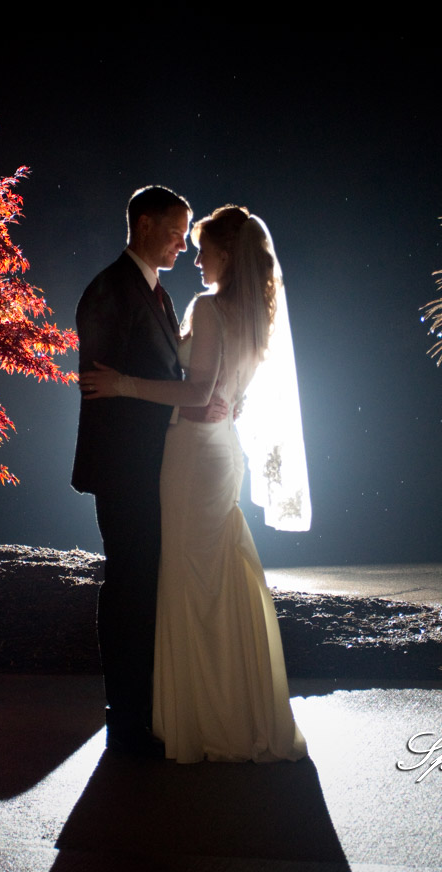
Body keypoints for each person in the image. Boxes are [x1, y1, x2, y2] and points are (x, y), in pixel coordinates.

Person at [81, 205, 311, 763]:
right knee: (218, 575)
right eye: (187, 240)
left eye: (202, 246)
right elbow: (228, 391)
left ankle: (199, 715)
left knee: (189, 581)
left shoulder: (208, 308)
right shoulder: (254, 314)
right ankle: (234, 705)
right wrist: (223, 402)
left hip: (192, 456)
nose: (194, 254)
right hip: (218, 451)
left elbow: (199, 393)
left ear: (227, 256)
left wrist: (123, 385)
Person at [71, 185, 195, 755]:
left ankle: (140, 710)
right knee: (128, 584)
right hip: (125, 468)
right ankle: (124, 720)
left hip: (154, 467)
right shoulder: (109, 291)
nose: (184, 243)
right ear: (145, 225)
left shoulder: (159, 296)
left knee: (142, 583)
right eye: (177, 231)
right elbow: (104, 387)